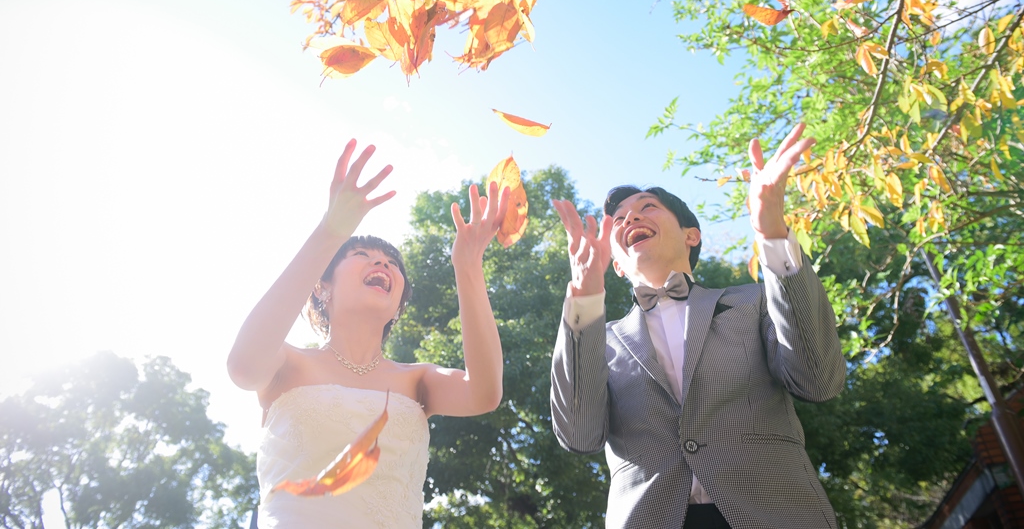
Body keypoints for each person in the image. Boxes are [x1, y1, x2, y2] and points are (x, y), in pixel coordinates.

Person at [549, 123, 846, 529]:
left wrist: (772, 233)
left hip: (776, 512)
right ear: (616, 264)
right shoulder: (598, 340)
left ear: (692, 235)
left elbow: (819, 379)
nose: (630, 216)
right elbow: (578, 435)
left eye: (648, 206)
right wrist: (582, 297)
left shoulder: (752, 302)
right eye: (618, 218)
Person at [227, 139, 508, 528]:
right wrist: (330, 233)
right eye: (362, 255)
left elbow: (485, 392)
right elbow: (242, 367)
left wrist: (468, 265)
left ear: (397, 306)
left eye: (394, 263)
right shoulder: (287, 362)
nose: (383, 261)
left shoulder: (418, 379)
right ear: (322, 287)